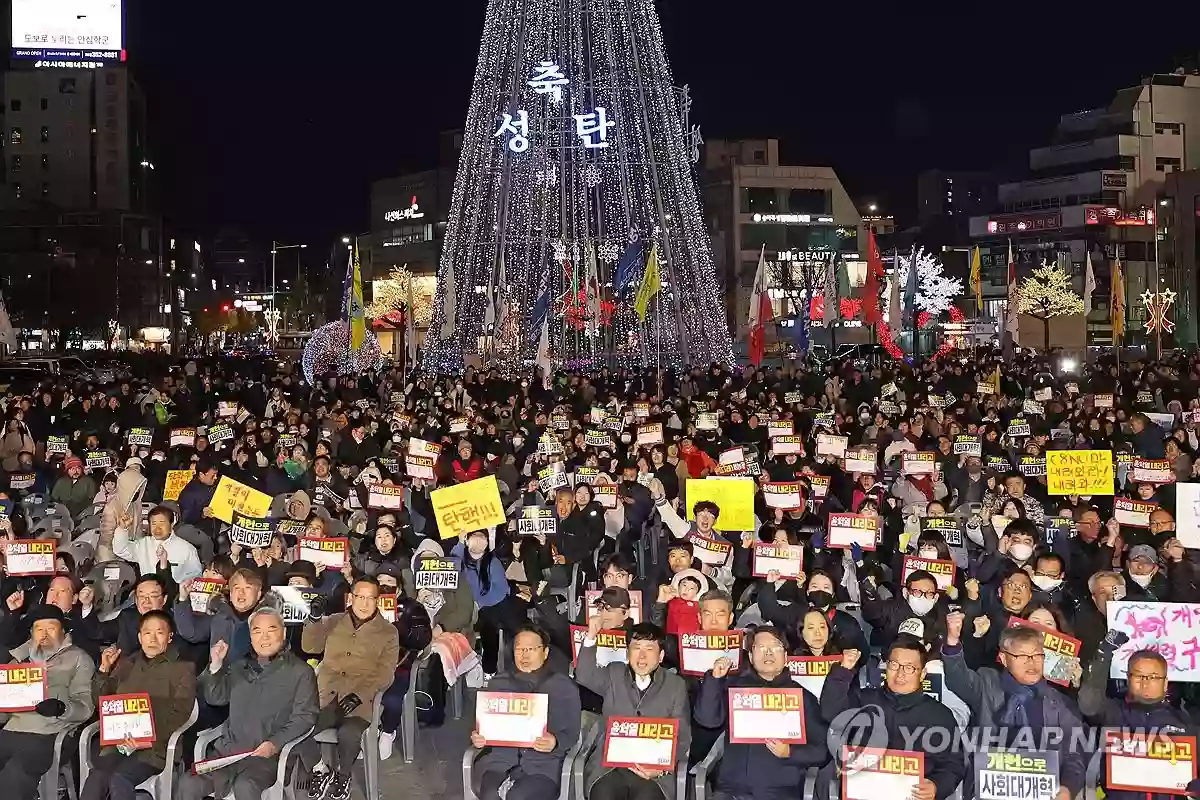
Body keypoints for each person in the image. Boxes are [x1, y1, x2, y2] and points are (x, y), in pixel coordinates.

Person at [178, 607, 319, 800]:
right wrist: (216, 665)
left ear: (284, 632)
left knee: (245, 787)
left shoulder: (301, 672)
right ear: (251, 637)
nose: (265, 637)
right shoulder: (239, 667)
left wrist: (275, 743)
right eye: (257, 631)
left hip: (267, 758)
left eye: (271, 630)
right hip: (227, 754)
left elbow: (305, 717)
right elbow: (216, 698)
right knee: (189, 783)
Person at [942, 611, 1081, 800]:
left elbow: (1075, 756)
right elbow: (958, 679)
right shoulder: (987, 683)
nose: (1031, 662)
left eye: (1037, 655)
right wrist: (952, 640)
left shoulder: (1058, 703)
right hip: (987, 789)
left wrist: (1067, 790)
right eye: (1021, 655)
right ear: (1005, 659)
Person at [819, 637, 964, 800]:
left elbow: (953, 765)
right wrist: (842, 671)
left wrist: (937, 786)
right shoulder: (863, 700)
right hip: (864, 793)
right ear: (886, 667)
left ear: (923, 673)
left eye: (909, 668)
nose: (900, 674)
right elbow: (831, 713)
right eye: (894, 665)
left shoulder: (940, 715)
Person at [694, 626, 829, 800]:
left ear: (786, 657)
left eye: (775, 647)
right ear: (750, 656)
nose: (768, 653)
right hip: (731, 791)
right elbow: (707, 719)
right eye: (761, 648)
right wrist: (714, 680)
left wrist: (791, 752)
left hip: (780, 792)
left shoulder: (802, 698)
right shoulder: (735, 689)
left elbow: (823, 750)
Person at [300, 576, 400, 800]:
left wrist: (361, 695)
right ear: (350, 598)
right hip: (325, 695)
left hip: (359, 699)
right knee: (298, 728)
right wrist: (314, 619)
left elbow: (385, 674)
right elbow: (309, 646)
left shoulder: (388, 632)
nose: (364, 603)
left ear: (377, 601)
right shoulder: (334, 621)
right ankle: (320, 769)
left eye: (370, 598)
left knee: (349, 733)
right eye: (359, 597)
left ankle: (343, 776)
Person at [83, 610, 197, 800]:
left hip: (154, 749)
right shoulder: (126, 664)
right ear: (139, 637)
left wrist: (145, 739)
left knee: (120, 779)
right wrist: (104, 669)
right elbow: (101, 702)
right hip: (119, 745)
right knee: (96, 777)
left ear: (169, 637)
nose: (152, 638)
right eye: (147, 633)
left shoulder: (183, 669)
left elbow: (180, 714)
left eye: (159, 632)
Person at [575, 620, 690, 800]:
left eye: (649, 649)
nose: (642, 656)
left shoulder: (675, 685)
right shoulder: (614, 674)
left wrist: (661, 770)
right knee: (604, 794)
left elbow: (682, 737)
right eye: (636, 648)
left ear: (661, 656)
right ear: (628, 653)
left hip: (652, 771)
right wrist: (591, 636)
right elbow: (584, 675)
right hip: (610, 768)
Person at [470, 625, 582, 800]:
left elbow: (572, 733)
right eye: (519, 649)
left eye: (531, 649)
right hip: (500, 762)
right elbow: (483, 727)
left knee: (518, 797)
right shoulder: (499, 684)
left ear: (545, 653)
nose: (524, 655)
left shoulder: (563, 687)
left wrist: (555, 741)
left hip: (543, 765)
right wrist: (479, 737)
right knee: (490, 794)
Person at [0, 605, 96, 800]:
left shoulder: (79, 658)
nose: (44, 635)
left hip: (49, 733)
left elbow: (86, 707)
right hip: (11, 729)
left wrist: (62, 708)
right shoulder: (18, 661)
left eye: (50, 628)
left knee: (15, 772)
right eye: (38, 629)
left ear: (63, 631)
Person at [112, 505, 203, 585]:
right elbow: (120, 550)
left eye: (162, 523)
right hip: (147, 594)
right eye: (153, 523)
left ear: (172, 524)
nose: (157, 528)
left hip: (174, 597)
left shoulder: (187, 548)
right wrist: (122, 528)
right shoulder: (143, 544)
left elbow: (196, 575)